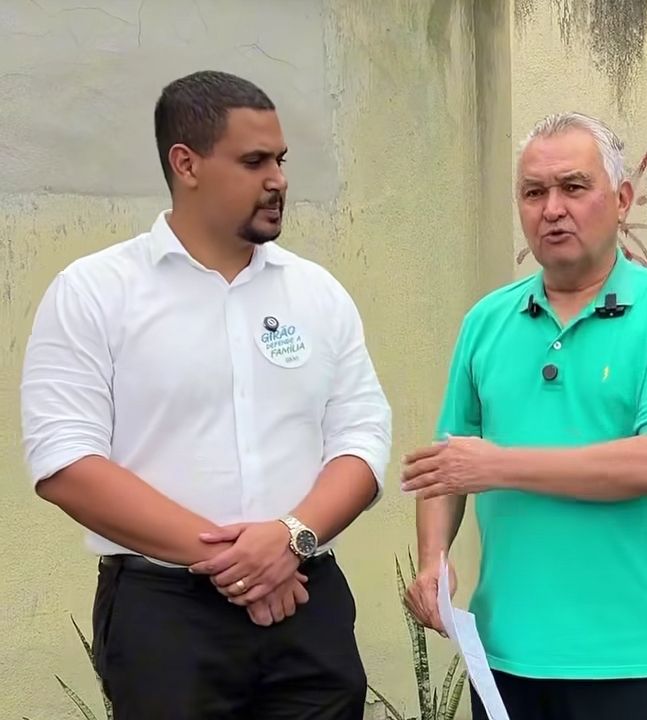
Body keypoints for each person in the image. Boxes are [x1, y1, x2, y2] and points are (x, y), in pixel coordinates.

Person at [20, 70, 391, 720]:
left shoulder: (317, 294)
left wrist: (290, 540)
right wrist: (242, 563)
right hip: (166, 615)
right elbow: (65, 461)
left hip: (307, 600)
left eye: (280, 160)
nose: (277, 179)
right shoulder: (95, 292)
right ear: (186, 164)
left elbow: (362, 439)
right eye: (254, 161)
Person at [400, 112, 647, 720]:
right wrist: (432, 557)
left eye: (573, 187)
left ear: (622, 199)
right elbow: (448, 468)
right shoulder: (486, 321)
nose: (552, 209)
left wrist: (499, 465)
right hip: (504, 658)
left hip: (632, 659)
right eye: (533, 192)